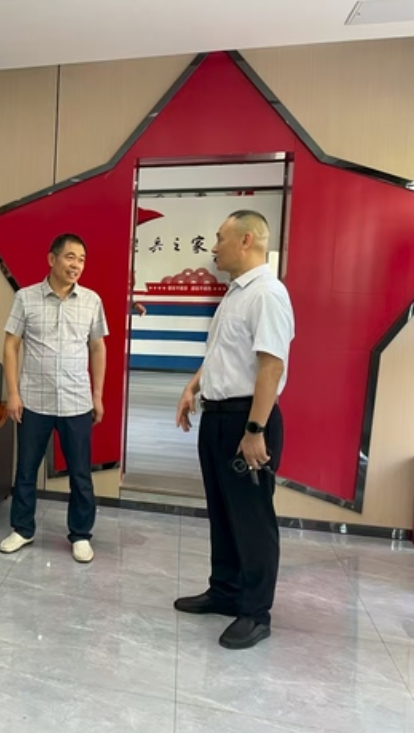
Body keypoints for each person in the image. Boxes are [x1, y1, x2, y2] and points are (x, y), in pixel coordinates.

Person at [174, 209, 294, 650]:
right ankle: (224, 591)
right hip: (218, 417)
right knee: (223, 511)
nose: (214, 247)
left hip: (248, 419)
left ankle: (256, 612)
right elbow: (221, 354)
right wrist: (194, 386)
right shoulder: (236, 292)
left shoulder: (267, 294)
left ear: (246, 240)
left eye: (220, 237)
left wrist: (255, 430)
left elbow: (271, 366)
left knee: (252, 518)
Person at [0, 232, 108, 563]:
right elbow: (11, 346)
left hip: (76, 401)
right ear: (52, 259)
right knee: (26, 471)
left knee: (80, 474)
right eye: (70, 257)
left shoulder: (91, 300)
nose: (77, 265)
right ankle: (22, 529)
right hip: (34, 400)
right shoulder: (26, 298)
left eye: (82, 259)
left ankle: (81, 535)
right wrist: (13, 394)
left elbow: (98, 347)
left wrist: (97, 395)